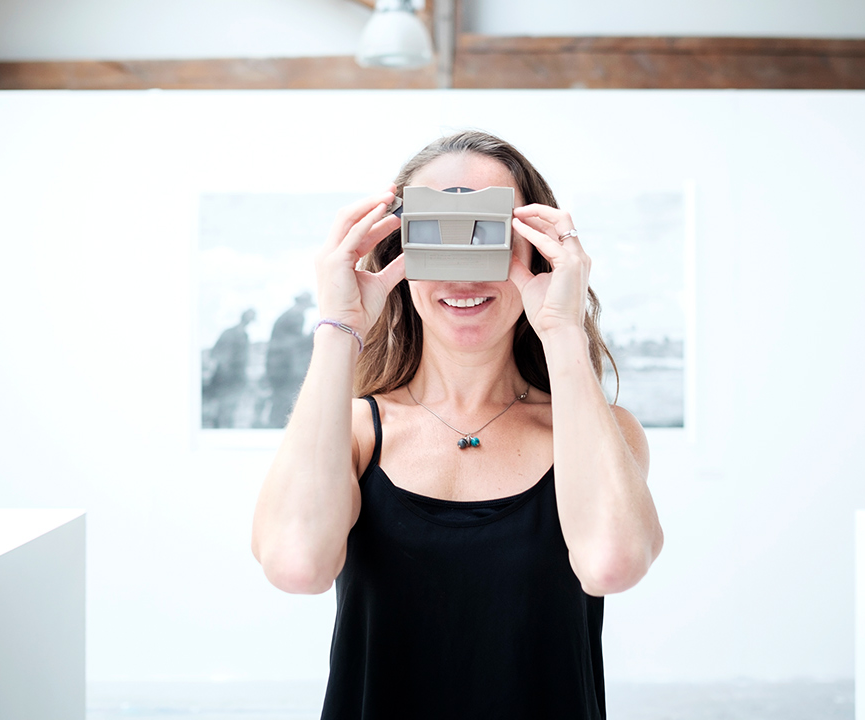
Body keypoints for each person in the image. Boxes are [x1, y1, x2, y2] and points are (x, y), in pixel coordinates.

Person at [251, 132, 663, 719]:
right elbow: (297, 566)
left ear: (536, 248)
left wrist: (563, 329)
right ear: (398, 249)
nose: (463, 274)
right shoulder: (357, 433)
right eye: (435, 231)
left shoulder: (602, 432)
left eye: (487, 229)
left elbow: (611, 564)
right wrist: (340, 325)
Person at [263, 292, 315, 427]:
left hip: (277, 366)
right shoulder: (295, 316)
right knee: (284, 400)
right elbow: (293, 344)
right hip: (283, 368)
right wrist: (311, 336)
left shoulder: (288, 315)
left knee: (280, 400)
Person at [202, 308, 255, 428]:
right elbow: (220, 355)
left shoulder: (237, 334)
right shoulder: (235, 334)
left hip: (230, 377)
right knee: (225, 410)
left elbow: (216, 354)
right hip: (229, 378)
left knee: (226, 409)